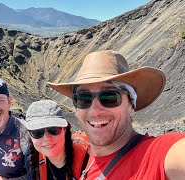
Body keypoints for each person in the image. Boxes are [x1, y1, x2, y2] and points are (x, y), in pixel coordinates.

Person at [47, 50, 185, 179]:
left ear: (131, 105)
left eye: (110, 96)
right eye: (83, 98)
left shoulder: (156, 155)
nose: (95, 111)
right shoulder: (88, 161)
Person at [23, 99, 89, 180]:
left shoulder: (88, 160)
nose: (46, 138)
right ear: (30, 135)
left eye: (53, 129)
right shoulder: (32, 157)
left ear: (65, 129)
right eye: (37, 132)